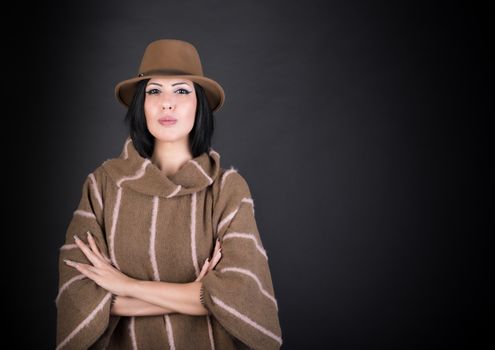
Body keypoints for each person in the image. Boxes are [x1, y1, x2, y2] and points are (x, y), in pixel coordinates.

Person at [55, 39, 283, 349]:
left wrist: (125, 286)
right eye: (154, 91)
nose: (167, 102)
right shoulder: (102, 186)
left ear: (198, 104)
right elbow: (78, 295)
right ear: (142, 105)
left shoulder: (228, 188)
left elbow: (244, 297)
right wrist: (198, 293)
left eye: (181, 90)